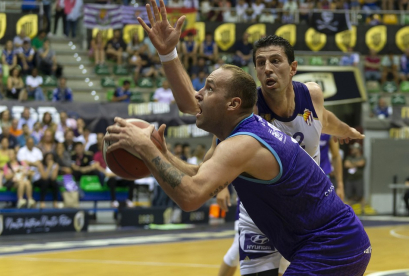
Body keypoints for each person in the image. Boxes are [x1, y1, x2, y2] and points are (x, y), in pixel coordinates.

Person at [136, 3, 365, 275]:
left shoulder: (312, 95)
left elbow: (325, 119)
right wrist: (168, 54)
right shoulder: (247, 109)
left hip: (307, 211)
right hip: (261, 214)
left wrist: (345, 131)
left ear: (292, 68)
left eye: (275, 61)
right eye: (260, 63)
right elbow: (195, 107)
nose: (267, 68)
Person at [104, 65, 371, 275]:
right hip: (331, 243)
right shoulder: (240, 134)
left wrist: (146, 150)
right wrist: (162, 155)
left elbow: (190, 197)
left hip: (332, 246)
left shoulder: (243, 143)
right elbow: (199, 176)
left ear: (232, 104)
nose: (198, 94)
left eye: (208, 88)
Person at [319, 134, 344, 201]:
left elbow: (336, 156)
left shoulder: (328, 129)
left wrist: (340, 184)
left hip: (324, 176)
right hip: (302, 176)